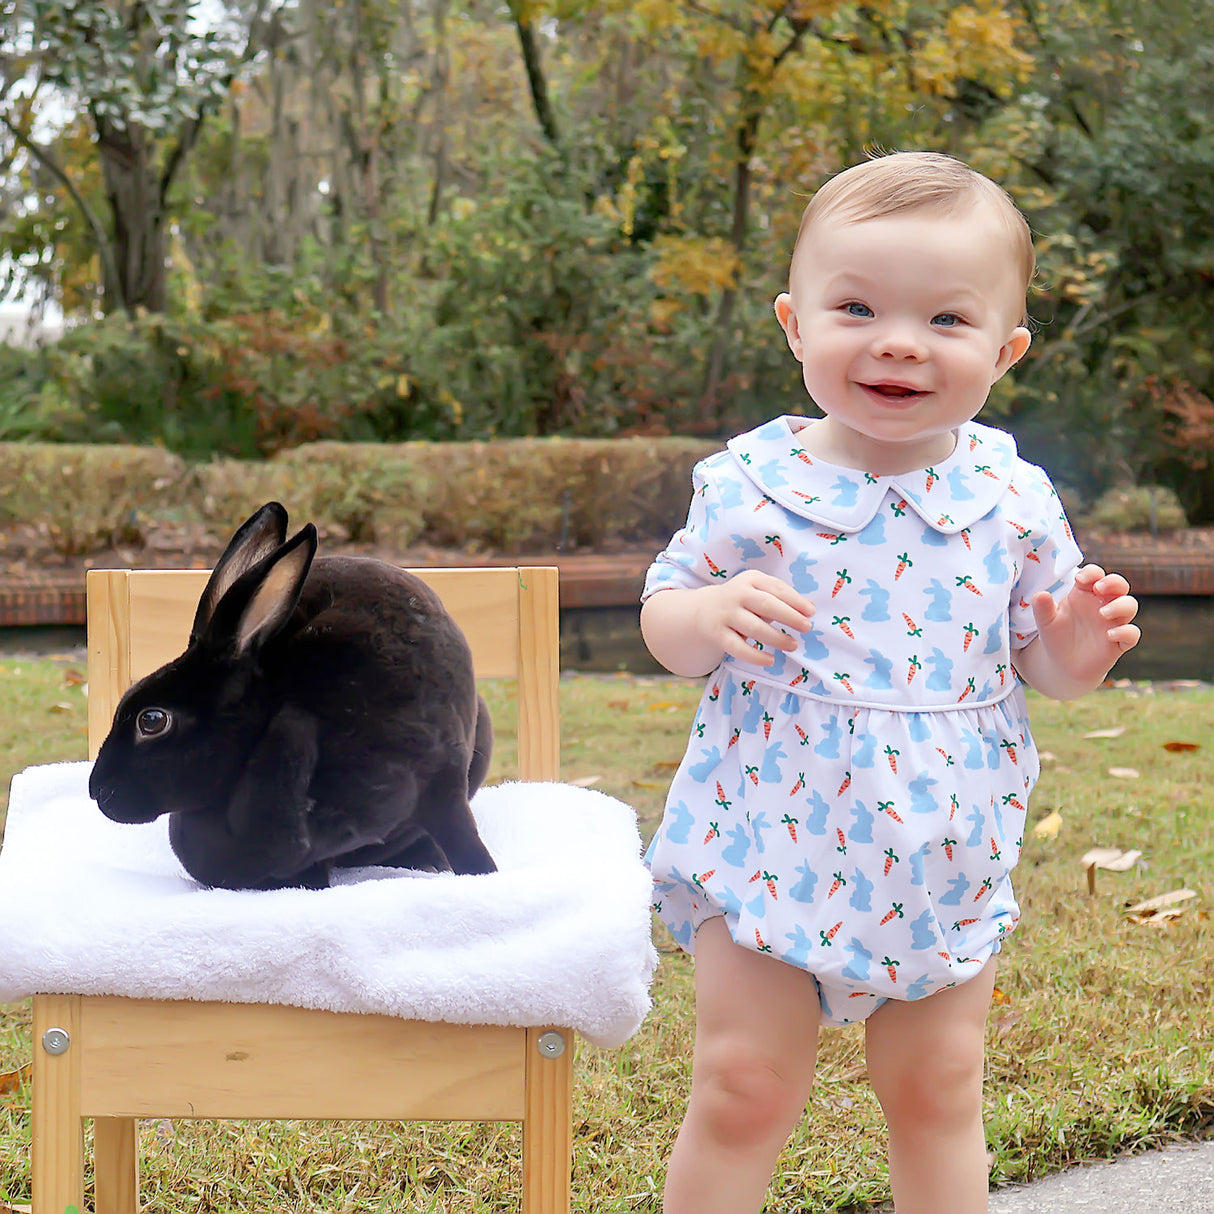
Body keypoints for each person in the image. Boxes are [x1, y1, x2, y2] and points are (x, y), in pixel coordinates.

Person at [640, 151, 1141, 1214]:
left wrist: (1075, 649)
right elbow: (665, 626)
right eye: (856, 306)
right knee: (741, 1083)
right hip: (767, 827)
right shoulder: (750, 484)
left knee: (936, 1085)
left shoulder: (1007, 495)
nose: (898, 341)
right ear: (793, 323)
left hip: (939, 845)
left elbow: (1040, 664)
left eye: (945, 321)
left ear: (1003, 350)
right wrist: (704, 613)